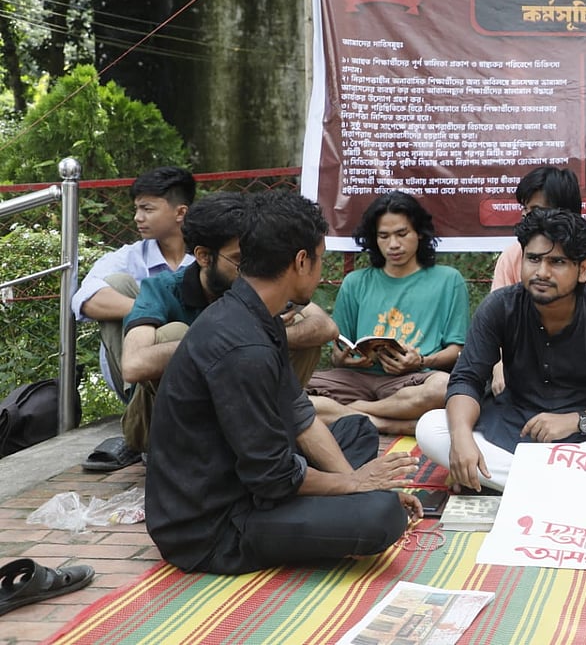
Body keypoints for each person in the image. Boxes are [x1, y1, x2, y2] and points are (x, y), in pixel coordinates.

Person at [145, 190, 421, 575]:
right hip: (213, 528)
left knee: (356, 430)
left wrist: (359, 482)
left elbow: (300, 417)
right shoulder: (242, 346)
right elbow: (273, 476)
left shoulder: (259, 314)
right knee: (381, 516)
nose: (322, 272)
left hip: (249, 483)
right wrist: (357, 487)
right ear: (301, 260)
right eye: (320, 259)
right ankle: (334, 513)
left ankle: (335, 505)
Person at [415, 208, 586, 492]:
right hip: (513, 427)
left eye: (557, 262)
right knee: (432, 427)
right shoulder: (499, 307)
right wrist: (460, 440)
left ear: (582, 270)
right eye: (533, 259)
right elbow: (466, 379)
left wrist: (577, 421)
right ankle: (568, 489)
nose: (541, 272)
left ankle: (520, 486)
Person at [120, 192, 337, 453]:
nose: (249, 269)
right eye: (237, 260)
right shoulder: (163, 288)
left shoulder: (256, 285)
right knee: (173, 333)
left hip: (239, 415)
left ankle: (274, 428)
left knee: (300, 324)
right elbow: (133, 366)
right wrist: (227, 341)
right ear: (203, 256)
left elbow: (326, 327)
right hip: (162, 427)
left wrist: (264, 334)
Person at [307, 192, 469, 436]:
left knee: (445, 388)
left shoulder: (448, 280)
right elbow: (339, 350)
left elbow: (457, 350)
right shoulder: (355, 282)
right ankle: (388, 423)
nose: (393, 244)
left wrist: (422, 361)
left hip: (412, 380)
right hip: (355, 379)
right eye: (383, 236)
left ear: (420, 233)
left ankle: (357, 412)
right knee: (288, 392)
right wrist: (343, 359)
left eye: (402, 234)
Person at [72, 166, 196, 401]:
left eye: (147, 209)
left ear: (180, 213)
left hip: (196, 370)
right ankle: (139, 402)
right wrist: (154, 312)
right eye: (137, 208)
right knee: (116, 283)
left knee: (176, 332)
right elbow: (86, 299)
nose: (138, 217)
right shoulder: (131, 257)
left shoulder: (204, 258)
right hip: (136, 376)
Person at [490, 166, 586, 319]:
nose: (526, 217)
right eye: (525, 210)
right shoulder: (511, 256)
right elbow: (497, 320)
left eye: (536, 210)